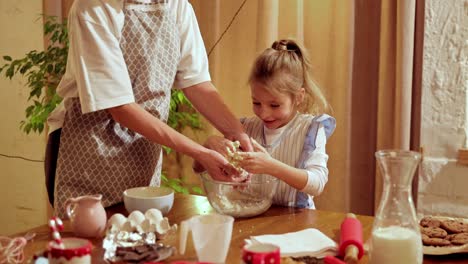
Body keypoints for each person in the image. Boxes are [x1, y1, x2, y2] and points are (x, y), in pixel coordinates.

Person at [45, 0, 252, 217]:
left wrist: (237, 133)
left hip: (144, 148)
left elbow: (196, 82)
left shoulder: (177, 6)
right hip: (88, 150)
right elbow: (119, 107)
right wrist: (200, 153)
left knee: (140, 234)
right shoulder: (93, 7)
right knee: (91, 239)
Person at [198, 39, 336, 209]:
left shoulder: (310, 129)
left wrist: (271, 166)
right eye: (256, 103)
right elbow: (199, 168)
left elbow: (317, 184)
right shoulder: (244, 129)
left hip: (295, 219)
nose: (264, 113)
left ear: (299, 97)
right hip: (251, 215)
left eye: (274, 105)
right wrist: (209, 145)